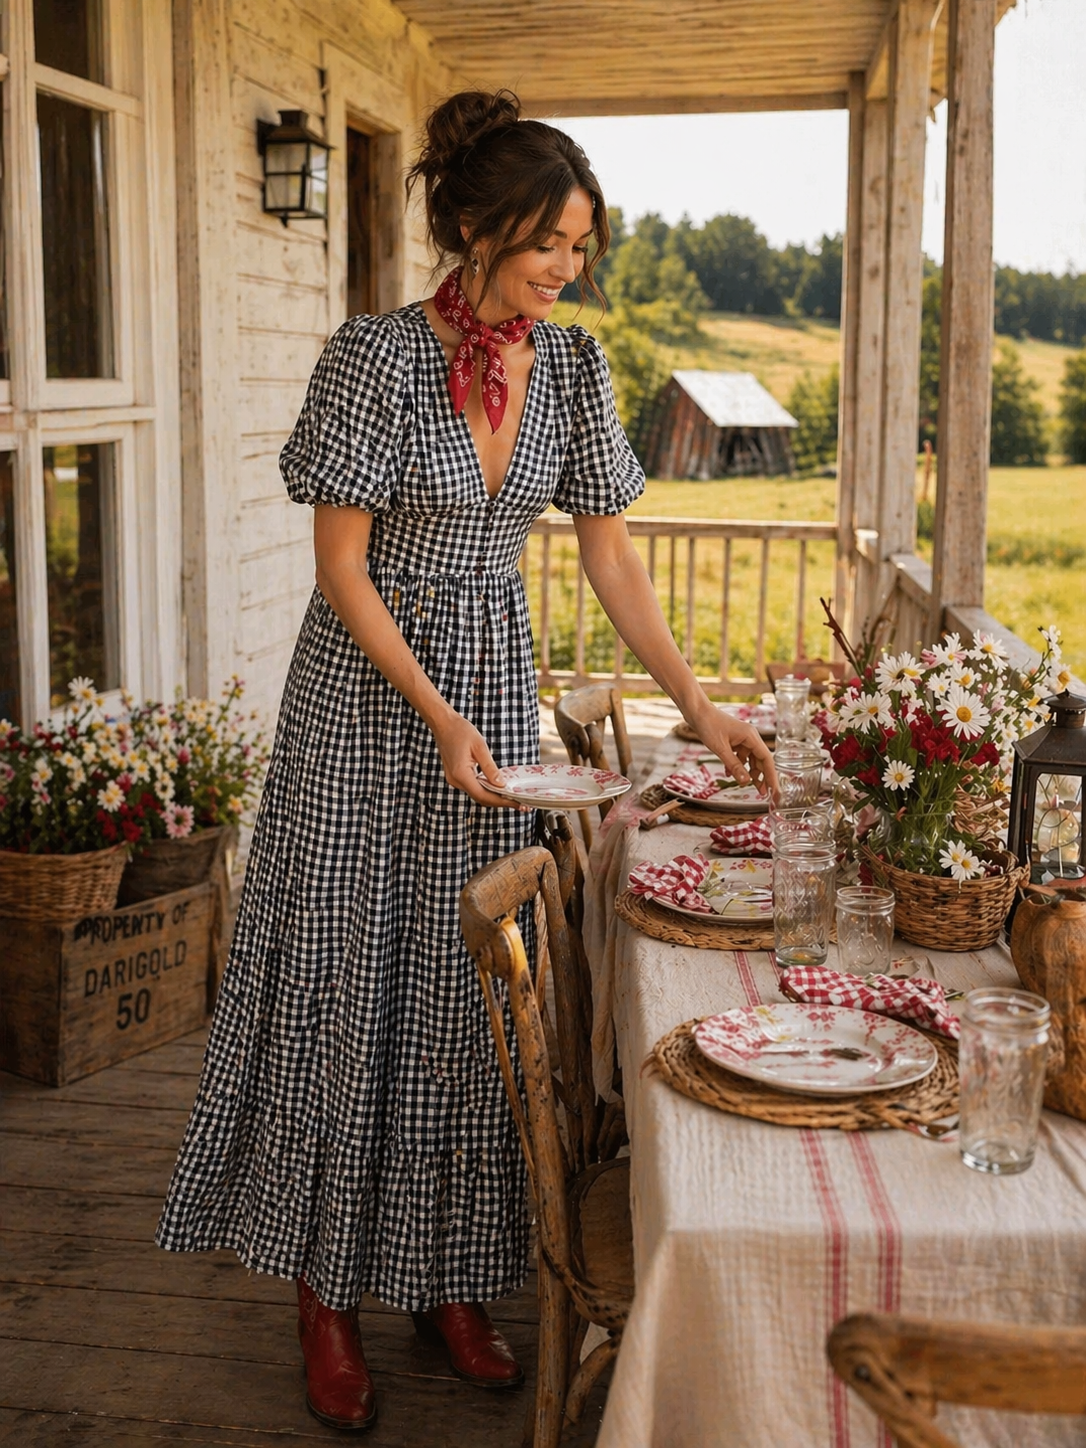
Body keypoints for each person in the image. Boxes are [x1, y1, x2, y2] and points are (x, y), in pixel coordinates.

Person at [156, 87, 775, 1432]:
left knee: (464, 988)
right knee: (340, 973)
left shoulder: (572, 367)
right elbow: (340, 567)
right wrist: (437, 715)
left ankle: (444, 1276)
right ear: (474, 229)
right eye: (547, 240)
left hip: (492, 674)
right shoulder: (371, 356)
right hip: (369, 697)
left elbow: (607, 547)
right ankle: (322, 1288)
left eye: (580, 246)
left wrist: (698, 704)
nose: (565, 267)